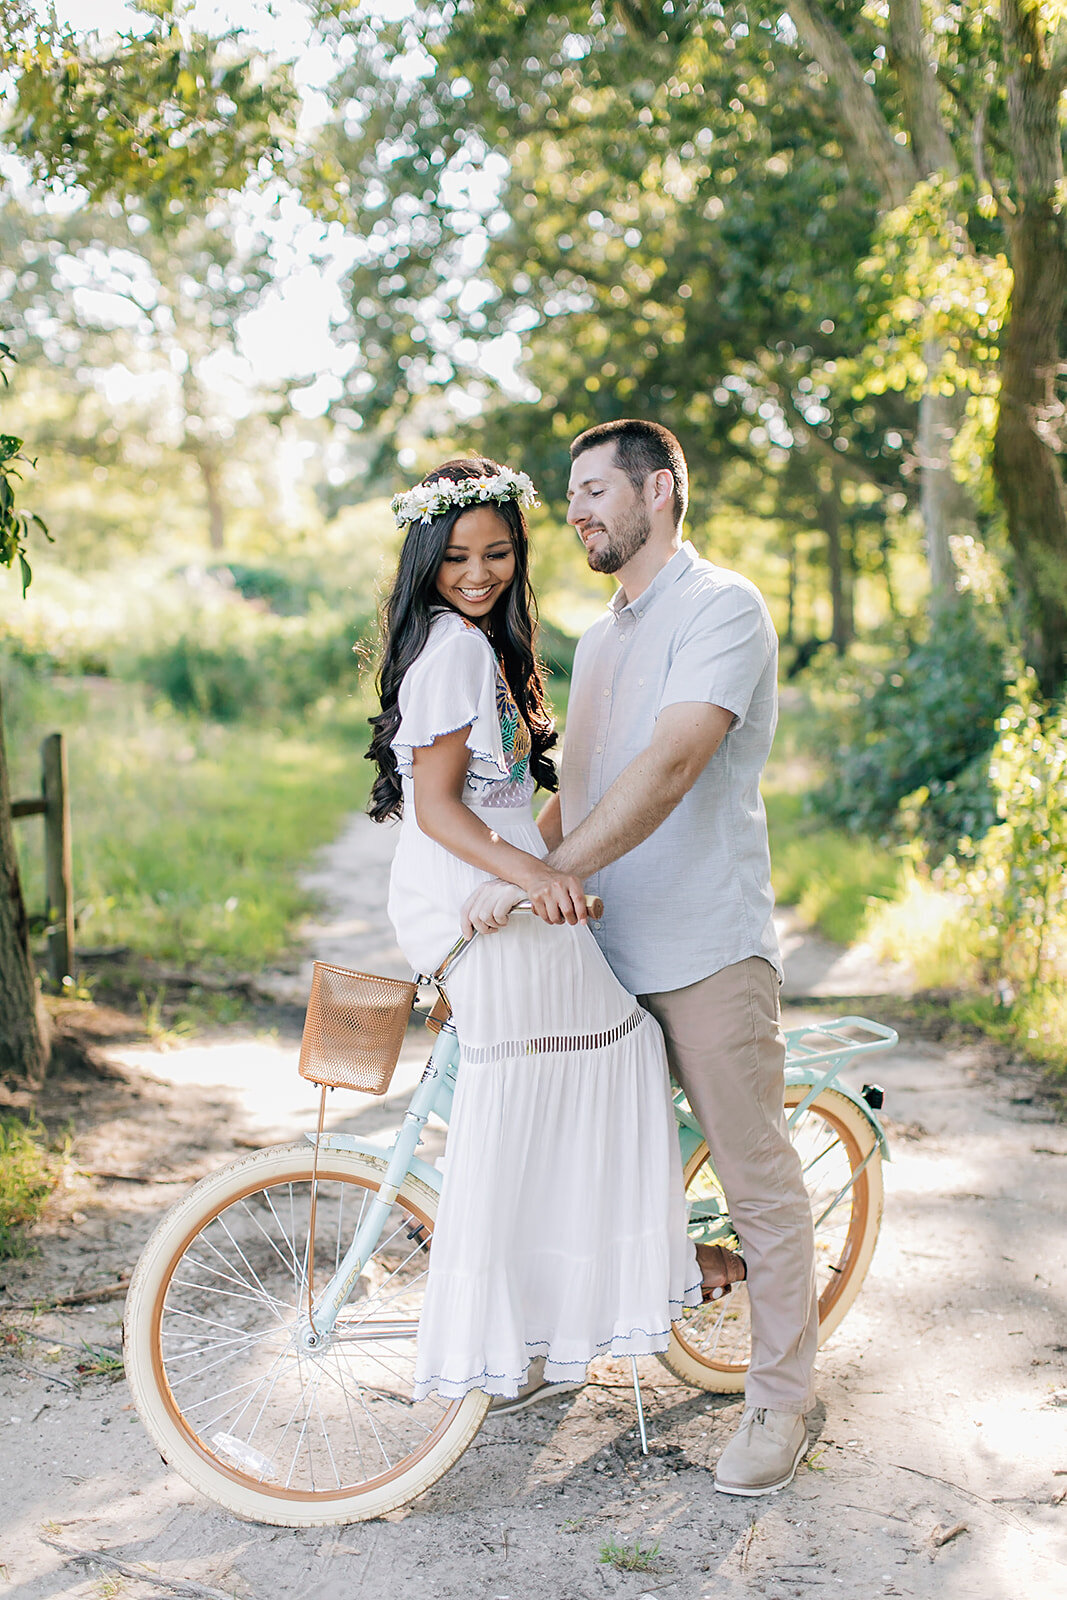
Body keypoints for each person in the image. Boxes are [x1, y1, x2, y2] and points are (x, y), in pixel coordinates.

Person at [465, 420, 817, 1495]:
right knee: (575, 1164)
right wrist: (515, 878)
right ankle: (557, 1346)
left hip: (703, 946)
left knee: (755, 1180)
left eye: (592, 490)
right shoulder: (602, 636)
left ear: (658, 489)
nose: (573, 512)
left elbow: (669, 766)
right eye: (570, 495)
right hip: (598, 952)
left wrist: (543, 871)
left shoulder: (721, 606)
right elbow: (578, 791)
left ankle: (781, 1399)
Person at [367, 455, 702, 1408]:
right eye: (456, 557)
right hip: (479, 897)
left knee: (546, 1089)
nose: (478, 574)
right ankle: (547, 1326)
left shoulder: (470, 643)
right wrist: (534, 881)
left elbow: (501, 804)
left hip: (485, 894)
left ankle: (543, 1335)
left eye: (497, 554)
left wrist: (534, 868)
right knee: (618, 1055)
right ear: (426, 560)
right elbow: (438, 808)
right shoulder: (456, 651)